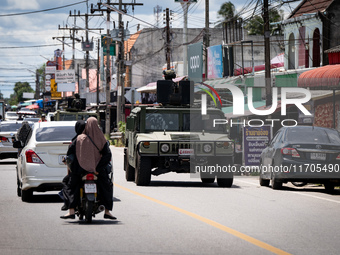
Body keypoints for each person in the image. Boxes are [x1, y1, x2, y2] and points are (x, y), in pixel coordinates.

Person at [61, 117, 116, 220]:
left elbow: (70, 153)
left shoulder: (79, 138)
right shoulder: (101, 139)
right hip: (97, 172)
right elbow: (107, 155)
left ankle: (71, 210)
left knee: (69, 184)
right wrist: (98, 169)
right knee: (107, 186)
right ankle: (107, 211)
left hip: (80, 171)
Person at [60, 120, 86, 211]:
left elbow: (69, 157)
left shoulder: (75, 141)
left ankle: (69, 206)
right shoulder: (93, 139)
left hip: (77, 171)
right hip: (93, 170)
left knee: (67, 182)